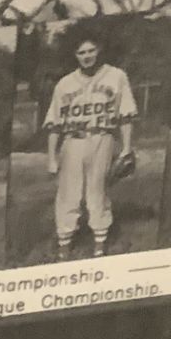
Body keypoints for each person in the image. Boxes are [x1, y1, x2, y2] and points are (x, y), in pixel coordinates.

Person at [43, 32, 136, 259]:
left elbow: (126, 115)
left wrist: (126, 148)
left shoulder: (116, 76)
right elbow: (55, 124)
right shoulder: (64, 84)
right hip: (72, 140)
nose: (87, 56)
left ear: (99, 50)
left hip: (102, 137)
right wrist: (52, 158)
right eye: (81, 52)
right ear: (75, 55)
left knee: (98, 190)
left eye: (91, 50)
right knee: (68, 192)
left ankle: (100, 240)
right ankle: (65, 242)